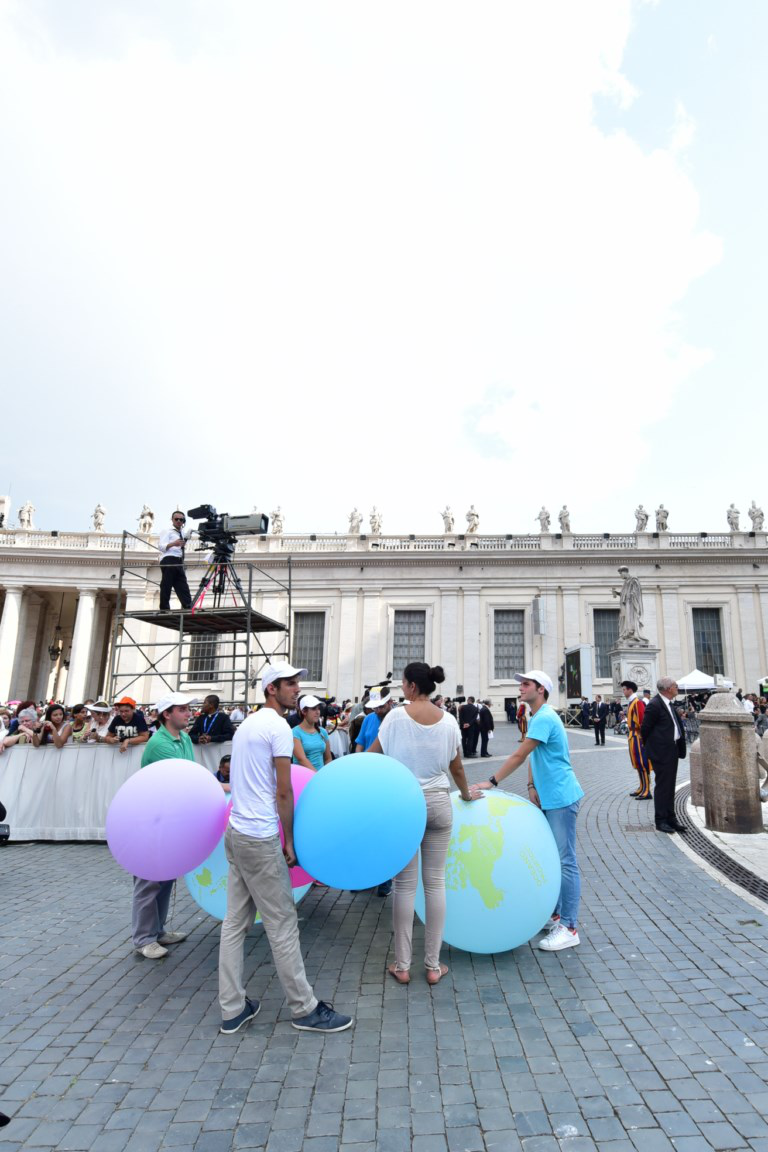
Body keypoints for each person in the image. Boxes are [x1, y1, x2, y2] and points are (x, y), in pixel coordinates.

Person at [218, 662, 353, 1035]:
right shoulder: (277, 726)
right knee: (282, 923)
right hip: (260, 837)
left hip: (237, 831)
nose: (296, 689)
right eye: (289, 683)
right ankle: (304, 1007)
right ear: (271, 689)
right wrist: (289, 840)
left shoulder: (247, 724)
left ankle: (232, 1007)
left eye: (296, 683)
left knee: (235, 922)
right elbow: (283, 789)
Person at [370, 662, 477, 985]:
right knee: (435, 884)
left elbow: (373, 756)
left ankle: (402, 965)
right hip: (439, 803)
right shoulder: (448, 721)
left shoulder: (395, 717)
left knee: (404, 886)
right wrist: (466, 794)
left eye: (403, 684)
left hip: (404, 804)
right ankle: (433, 966)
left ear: (413, 687)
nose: (401, 689)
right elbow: (457, 768)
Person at [473, 670, 584, 951]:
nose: (520, 688)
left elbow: (520, 754)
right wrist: (532, 786)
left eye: (526, 684)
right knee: (553, 857)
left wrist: (493, 780)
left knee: (565, 861)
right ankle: (556, 915)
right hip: (549, 796)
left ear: (541, 689)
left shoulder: (544, 717)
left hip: (560, 796)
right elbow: (535, 755)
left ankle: (569, 927)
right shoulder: (538, 716)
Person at [132, 693, 197, 959]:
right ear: (166, 714)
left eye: (187, 709)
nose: (188, 713)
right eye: (182, 709)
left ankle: (157, 931)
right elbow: (186, 779)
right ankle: (143, 938)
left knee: (166, 877)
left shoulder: (184, 738)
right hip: (152, 819)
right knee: (148, 880)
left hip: (169, 817)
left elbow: (192, 774)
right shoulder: (159, 743)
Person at [641, 677, 688, 834]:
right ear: (668, 689)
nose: (677, 687)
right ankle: (661, 820)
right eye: (675, 686)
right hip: (661, 753)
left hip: (672, 750)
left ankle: (671, 818)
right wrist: (654, 749)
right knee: (662, 787)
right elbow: (645, 729)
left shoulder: (669, 703)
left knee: (670, 786)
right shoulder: (654, 705)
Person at [621, 680, 652, 800]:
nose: (623, 691)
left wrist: (642, 736)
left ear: (630, 690)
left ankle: (647, 789)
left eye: (624, 689)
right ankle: (642, 786)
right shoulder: (632, 702)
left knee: (642, 762)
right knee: (637, 762)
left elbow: (642, 721)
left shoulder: (637, 702)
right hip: (632, 735)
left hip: (637, 735)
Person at [158, 511, 192, 612]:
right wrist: (174, 543)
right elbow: (161, 546)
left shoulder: (182, 532)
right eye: (176, 519)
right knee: (167, 583)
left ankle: (188, 606)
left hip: (178, 560)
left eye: (181, 519)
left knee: (182, 584)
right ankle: (164, 608)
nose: (178, 521)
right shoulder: (167, 531)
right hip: (169, 558)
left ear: (183, 521)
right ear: (172, 520)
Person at [292, 695, 332, 771]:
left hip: (320, 777)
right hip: (303, 777)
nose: (318, 712)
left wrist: (326, 774)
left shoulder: (323, 731)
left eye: (319, 709)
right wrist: (318, 776)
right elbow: (302, 759)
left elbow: (328, 758)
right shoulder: (295, 732)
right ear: (304, 711)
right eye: (313, 709)